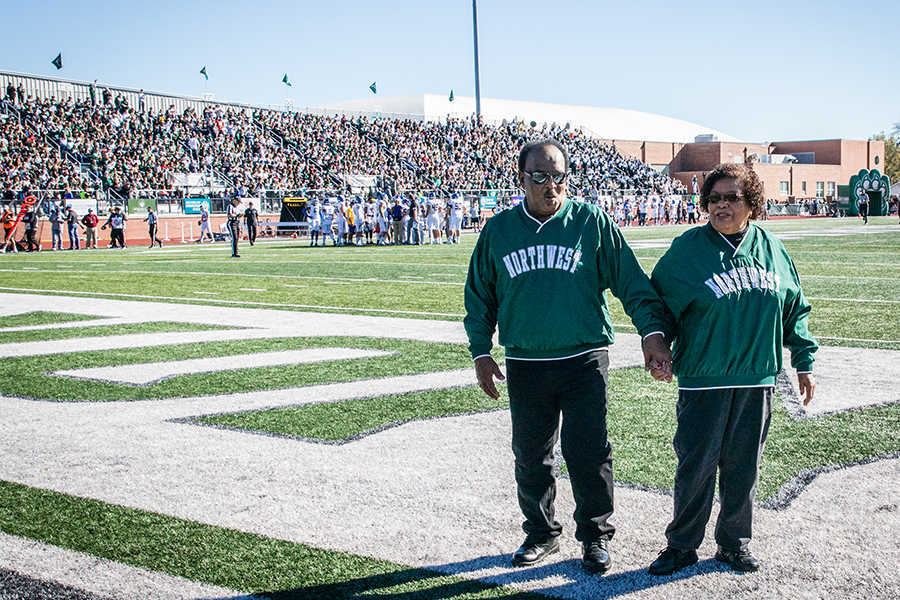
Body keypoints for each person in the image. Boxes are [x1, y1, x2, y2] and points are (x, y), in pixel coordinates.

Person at [464, 139, 673, 575]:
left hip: (584, 358)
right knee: (530, 453)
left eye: (559, 175)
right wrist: (481, 351)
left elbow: (631, 282)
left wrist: (652, 331)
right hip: (526, 360)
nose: (551, 185)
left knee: (588, 450)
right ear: (521, 179)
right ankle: (541, 532)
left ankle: (595, 535)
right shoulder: (499, 230)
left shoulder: (591, 221)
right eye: (539, 176)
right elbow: (480, 296)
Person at [647, 163, 818, 576]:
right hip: (704, 377)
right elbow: (657, 303)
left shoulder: (773, 249)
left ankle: (734, 543)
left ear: (752, 204)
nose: (721, 205)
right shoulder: (689, 249)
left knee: (744, 467)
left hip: (757, 377)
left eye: (731, 198)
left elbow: (794, 307)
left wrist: (804, 361)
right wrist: (657, 342)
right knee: (695, 467)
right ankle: (682, 545)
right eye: (714, 198)